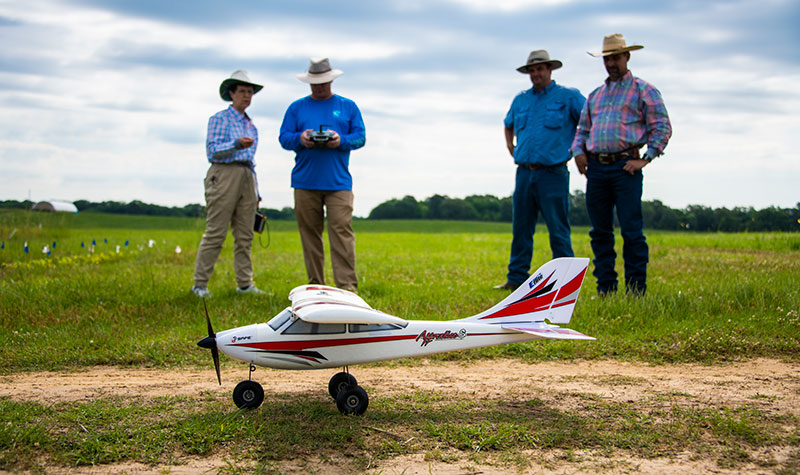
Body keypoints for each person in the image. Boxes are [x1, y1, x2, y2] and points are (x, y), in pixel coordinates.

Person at [571, 34, 672, 295]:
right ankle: (606, 288)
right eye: (607, 58)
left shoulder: (644, 90)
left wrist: (645, 159)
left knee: (631, 231)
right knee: (600, 232)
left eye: (616, 57)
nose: (611, 63)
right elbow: (582, 130)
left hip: (625, 167)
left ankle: (636, 290)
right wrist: (578, 152)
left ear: (627, 57)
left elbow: (661, 127)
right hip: (596, 168)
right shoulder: (595, 96)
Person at [494, 50, 585, 290]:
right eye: (532, 70)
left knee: (558, 228)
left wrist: (579, 150)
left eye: (540, 69)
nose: (535, 74)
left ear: (550, 69)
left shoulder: (569, 97)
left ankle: (566, 282)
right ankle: (516, 278)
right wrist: (510, 146)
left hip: (553, 172)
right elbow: (508, 125)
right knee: (521, 228)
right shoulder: (520, 100)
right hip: (524, 172)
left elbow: (587, 123)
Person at [279, 58, 365, 292]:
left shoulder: (348, 106)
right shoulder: (296, 108)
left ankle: (347, 288)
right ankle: (316, 287)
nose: (319, 87)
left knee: (341, 231)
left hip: (339, 182)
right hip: (305, 182)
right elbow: (283, 138)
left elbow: (360, 137)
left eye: (323, 82)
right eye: (314, 83)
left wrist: (340, 140)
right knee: (310, 235)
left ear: (331, 80)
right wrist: (301, 138)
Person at [192, 70, 265, 298]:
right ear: (231, 93)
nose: (247, 96)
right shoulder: (219, 119)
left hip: (246, 176)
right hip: (223, 174)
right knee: (216, 232)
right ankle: (200, 285)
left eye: (250, 92)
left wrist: (257, 191)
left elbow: (251, 161)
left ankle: (245, 284)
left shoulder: (251, 126)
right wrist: (235, 144)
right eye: (242, 91)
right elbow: (212, 150)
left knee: (245, 234)